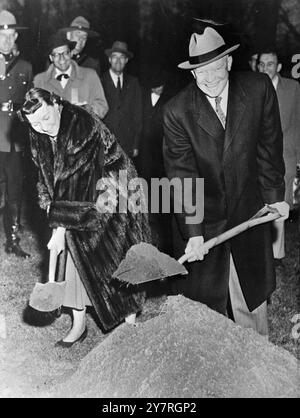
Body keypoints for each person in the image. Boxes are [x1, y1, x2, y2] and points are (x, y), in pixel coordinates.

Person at [163, 27, 289, 336]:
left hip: (250, 208)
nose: (208, 78)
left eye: (214, 68)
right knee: (208, 305)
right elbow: (182, 176)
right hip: (205, 216)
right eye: (200, 72)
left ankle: (259, 360)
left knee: (251, 294)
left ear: (229, 63)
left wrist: (275, 196)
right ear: (192, 75)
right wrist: (193, 233)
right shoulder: (177, 111)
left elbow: (268, 147)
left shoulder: (258, 89)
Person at [19, 88, 151, 346]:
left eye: (45, 119)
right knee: (74, 259)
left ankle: (130, 324)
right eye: (34, 124)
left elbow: (77, 181)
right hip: (77, 200)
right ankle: (78, 325)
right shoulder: (38, 131)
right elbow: (44, 176)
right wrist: (48, 204)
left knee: (117, 256)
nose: (42, 127)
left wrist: (59, 229)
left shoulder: (81, 124)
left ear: (56, 103)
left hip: (113, 193)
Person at [0, 10, 32, 258]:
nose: (7, 40)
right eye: (2, 35)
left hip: (13, 137)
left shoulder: (25, 67)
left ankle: (12, 239)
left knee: (14, 188)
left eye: (11, 36)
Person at [258, 50, 300, 226]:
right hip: (258, 155)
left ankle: (276, 251)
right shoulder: (250, 88)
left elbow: (297, 122)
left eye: (270, 64)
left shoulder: (292, 88)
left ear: (279, 67)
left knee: (282, 204)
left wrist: (298, 158)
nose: (265, 68)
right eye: (261, 64)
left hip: (285, 154)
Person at [137, 70, 172, 255]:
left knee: (162, 207)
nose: (159, 87)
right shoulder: (141, 97)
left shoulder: (170, 101)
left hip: (161, 162)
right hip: (142, 160)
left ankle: (164, 247)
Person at [34, 31, 108, 119]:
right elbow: (35, 112)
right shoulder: (40, 80)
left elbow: (102, 107)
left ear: (71, 53)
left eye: (65, 53)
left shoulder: (90, 75)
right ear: (51, 58)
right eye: (57, 55)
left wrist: (86, 110)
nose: (62, 59)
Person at [101, 41, 142, 160]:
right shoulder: (99, 81)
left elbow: (137, 115)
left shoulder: (133, 83)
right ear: (109, 59)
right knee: (106, 177)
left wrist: (135, 144)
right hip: (105, 145)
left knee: (124, 177)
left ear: (127, 60)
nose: (118, 61)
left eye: (122, 57)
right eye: (115, 57)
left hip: (126, 145)